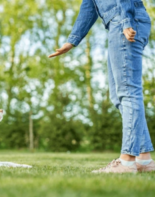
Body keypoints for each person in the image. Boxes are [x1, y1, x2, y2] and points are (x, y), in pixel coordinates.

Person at [49, 0, 155, 173]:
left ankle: (127, 162)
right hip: (120, 22)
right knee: (118, 95)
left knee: (128, 91)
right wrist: (72, 40)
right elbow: (89, 6)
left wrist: (126, 21)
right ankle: (144, 160)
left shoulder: (125, 19)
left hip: (125, 20)